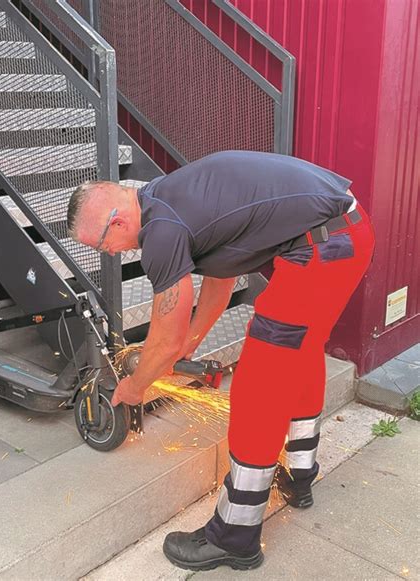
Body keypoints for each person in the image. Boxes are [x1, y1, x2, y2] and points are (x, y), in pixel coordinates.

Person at [67, 151, 375, 572]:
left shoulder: (161, 231)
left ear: (117, 223)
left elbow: (165, 335)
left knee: (256, 387)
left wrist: (136, 386)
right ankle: (300, 475)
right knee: (301, 356)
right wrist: (191, 343)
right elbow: (222, 274)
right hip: (346, 234)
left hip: (319, 252)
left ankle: (235, 535)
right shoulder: (166, 198)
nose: (110, 253)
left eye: (101, 245)